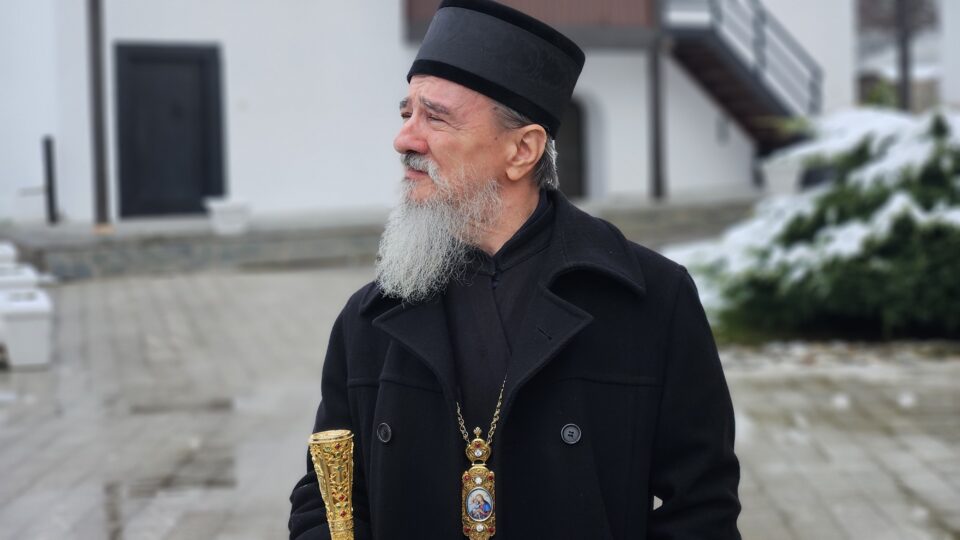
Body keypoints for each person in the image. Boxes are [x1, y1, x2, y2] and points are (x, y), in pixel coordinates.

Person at [289, 1, 741, 538]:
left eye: (435, 117)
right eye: (406, 113)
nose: (404, 138)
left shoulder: (653, 301)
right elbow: (325, 499)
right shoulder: (369, 318)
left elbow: (701, 510)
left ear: (523, 150)